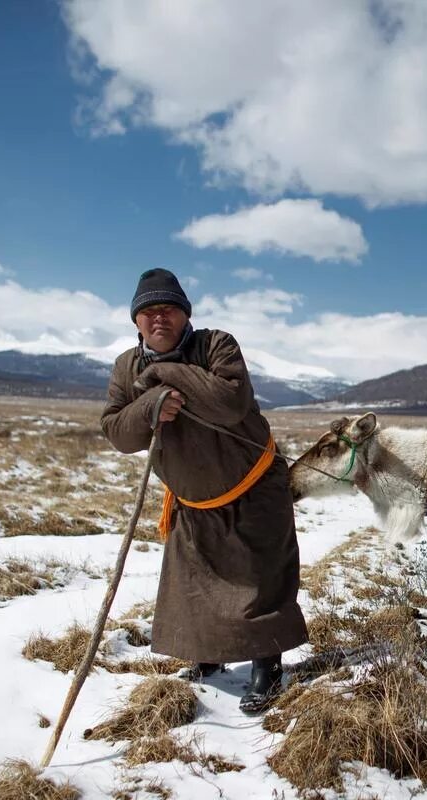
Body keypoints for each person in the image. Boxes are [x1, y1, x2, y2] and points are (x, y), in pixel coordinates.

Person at [101, 268, 307, 715]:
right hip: (193, 501)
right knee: (196, 586)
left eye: (169, 309)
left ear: (185, 314)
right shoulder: (124, 367)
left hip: (253, 486)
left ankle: (266, 667)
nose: (159, 318)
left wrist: (163, 375)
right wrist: (150, 406)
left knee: (260, 581)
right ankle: (208, 657)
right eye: (149, 312)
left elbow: (230, 402)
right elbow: (118, 433)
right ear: (136, 320)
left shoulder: (216, 344)